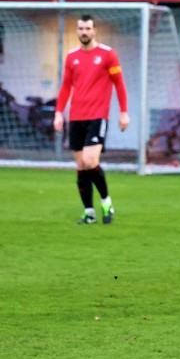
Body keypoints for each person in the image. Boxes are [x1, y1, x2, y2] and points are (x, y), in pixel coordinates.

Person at [53, 15, 129, 224]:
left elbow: (119, 84)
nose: (84, 32)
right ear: (77, 31)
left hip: (97, 116)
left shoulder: (107, 55)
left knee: (90, 161)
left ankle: (106, 202)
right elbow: (66, 87)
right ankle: (89, 212)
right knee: (80, 166)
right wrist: (59, 112)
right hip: (76, 117)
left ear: (94, 31)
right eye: (80, 29)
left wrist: (124, 112)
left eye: (87, 28)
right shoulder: (71, 57)